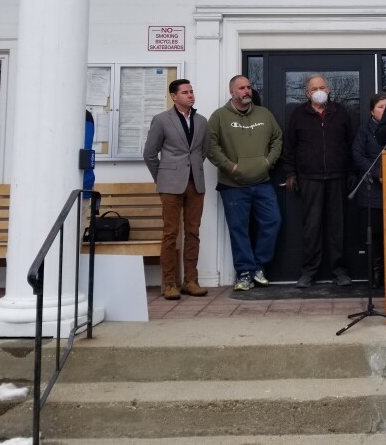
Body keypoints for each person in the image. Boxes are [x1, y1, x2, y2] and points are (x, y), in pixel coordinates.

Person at [207, 75, 283, 292]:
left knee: (273, 222)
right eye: (242, 88)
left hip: (262, 182)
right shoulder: (219, 116)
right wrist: (230, 167)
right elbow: (211, 146)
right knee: (238, 229)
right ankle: (244, 272)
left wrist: (268, 161)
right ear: (232, 92)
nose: (247, 91)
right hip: (233, 186)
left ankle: (259, 267)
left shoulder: (264, 114)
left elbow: (278, 139)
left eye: (249, 87)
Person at [284, 74, 356, 288]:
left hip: (337, 177)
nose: (319, 90)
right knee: (311, 227)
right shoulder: (298, 114)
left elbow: (351, 145)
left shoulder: (341, 112)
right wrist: (290, 173)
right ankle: (309, 271)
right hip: (309, 179)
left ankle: (339, 270)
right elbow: (290, 147)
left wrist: (351, 172)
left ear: (329, 90)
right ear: (307, 93)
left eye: (322, 86)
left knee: (337, 228)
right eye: (314, 88)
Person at [143, 79, 210, 301]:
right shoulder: (162, 120)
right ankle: (169, 283)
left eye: (192, 91)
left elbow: (203, 151)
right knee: (170, 233)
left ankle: (191, 280)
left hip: (195, 183)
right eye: (185, 92)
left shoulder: (201, 121)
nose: (190, 95)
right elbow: (150, 154)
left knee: (193, 232)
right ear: (174, 96)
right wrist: (161, 177)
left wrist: (195, 169)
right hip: (170, 184)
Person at [351, 92, 386, 286]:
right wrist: (377, 173)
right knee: (374, 234)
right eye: (380, 107)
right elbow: (358, 155)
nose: (384, 110)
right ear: (372, 111)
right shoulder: (364, 130)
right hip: (371, 190)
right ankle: (376, 274)